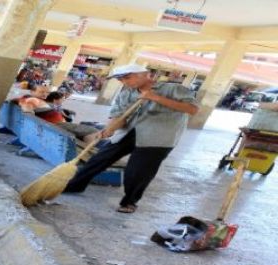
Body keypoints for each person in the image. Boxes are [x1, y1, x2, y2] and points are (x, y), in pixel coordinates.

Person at [63, 64, 199, 213]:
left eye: (128, 77)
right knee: (99, 158)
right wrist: (109, 129)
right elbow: (119, 117)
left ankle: (129, 202)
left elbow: (192, 109)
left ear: (146, 74)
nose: (125, 82)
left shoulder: (173, 89)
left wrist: (155, 98)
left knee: (137, 171)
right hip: (128, 132)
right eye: (121, 79)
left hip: (157, 137)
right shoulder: (126, 94)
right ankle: (75, 185)